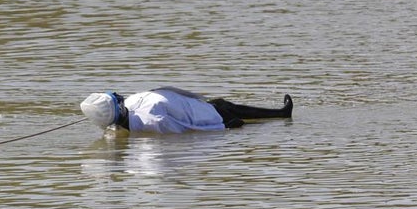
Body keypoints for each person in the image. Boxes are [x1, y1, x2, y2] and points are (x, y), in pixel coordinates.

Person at [81, 87, 293, 133]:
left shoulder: (117, 122)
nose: (120, 96)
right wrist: (223, 127)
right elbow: (185, 128)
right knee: (228, 109)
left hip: (192, 106)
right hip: (203, 116)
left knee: (221, 103)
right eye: (115, 99)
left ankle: (280, 113)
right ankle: (281, 114)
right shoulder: (152, 119)